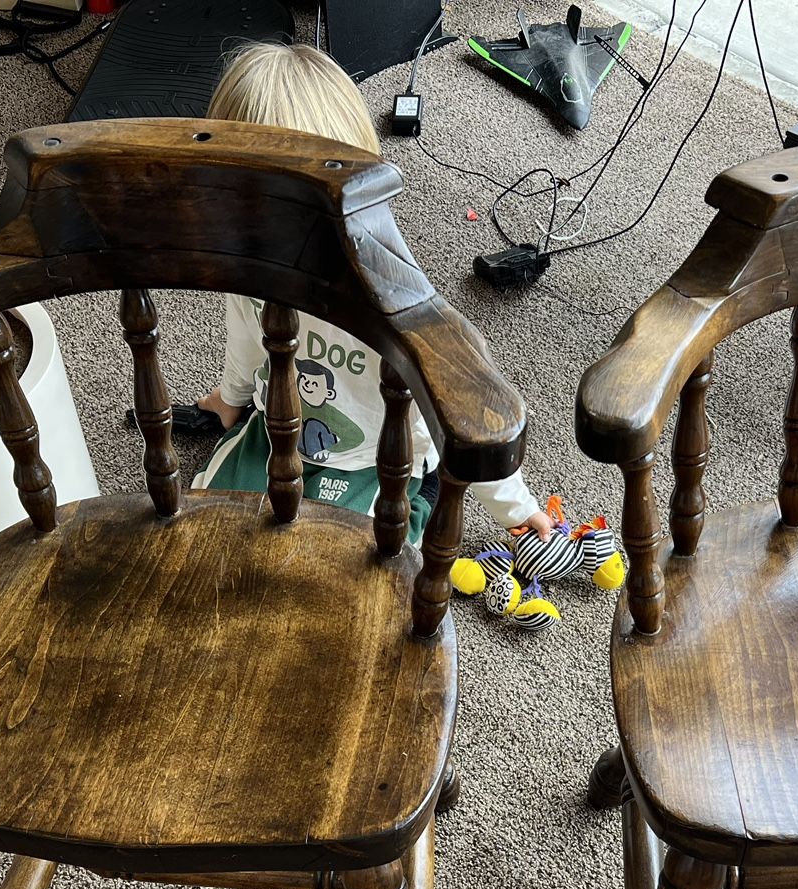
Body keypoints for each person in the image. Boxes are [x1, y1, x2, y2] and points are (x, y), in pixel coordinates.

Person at [190, 42, 554, 544]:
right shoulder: (249, 263)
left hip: (377, 457)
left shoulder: (392, 291)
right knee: (203, 529)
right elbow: (247, 338)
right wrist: (232, 398)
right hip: (277, 430)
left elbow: (457, 398)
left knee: (357, 568)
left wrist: (514, 506)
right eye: (238, 205)